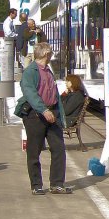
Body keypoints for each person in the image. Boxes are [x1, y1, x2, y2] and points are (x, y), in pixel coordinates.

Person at [15, 42, 71, 195]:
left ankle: (57, 184)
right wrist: (44, 109)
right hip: (35, 114)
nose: (52, 54)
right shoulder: (30, 72)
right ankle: (36, 185)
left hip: (52, 112)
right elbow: (30, 93)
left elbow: (54, 93)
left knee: (58, 147)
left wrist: (57, 113)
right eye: (51, 52)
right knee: (34, 150)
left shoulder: (48, 71)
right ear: (46, 54)